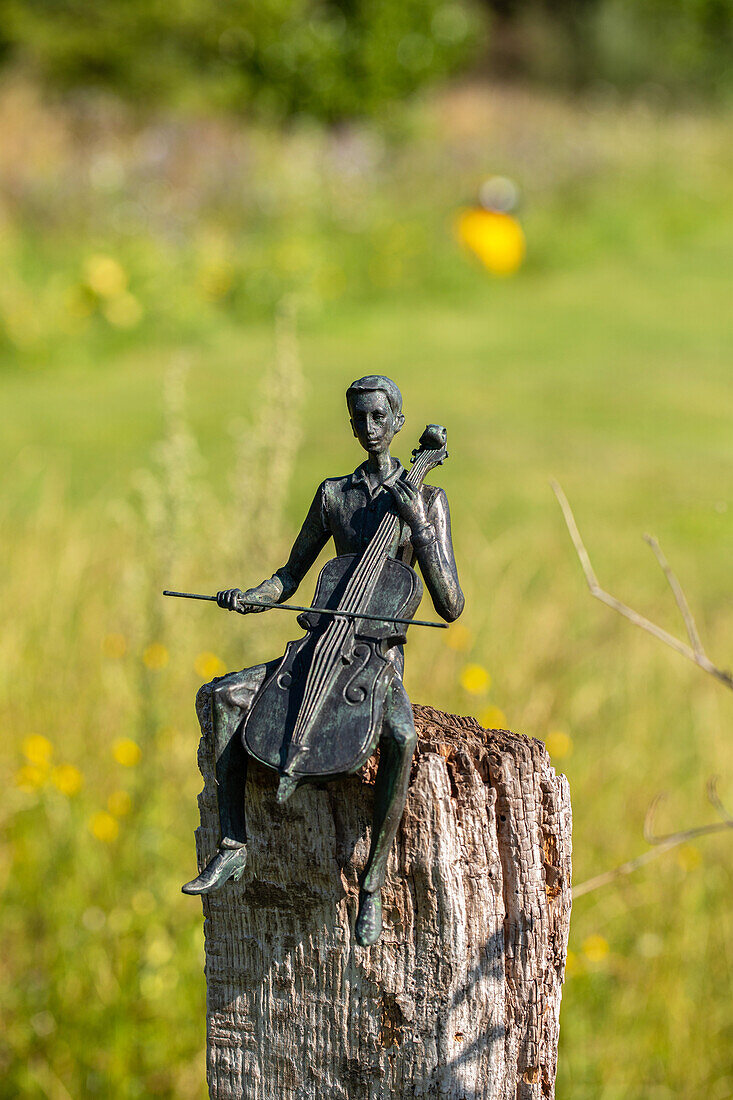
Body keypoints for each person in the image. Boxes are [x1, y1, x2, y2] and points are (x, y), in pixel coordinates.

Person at [182, 375, 464, 945]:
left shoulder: (427, 498)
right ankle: (233, 842)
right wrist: (251, 596)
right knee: (225, 698)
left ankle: (374, 883)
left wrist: (420, 529)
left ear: (399, 421)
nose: (369, 428)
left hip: (373, 657)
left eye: (379, 417)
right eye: (358, 418)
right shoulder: (334, 494)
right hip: (319, 644)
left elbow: (451, 604)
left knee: (403, 737)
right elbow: (291, 577)